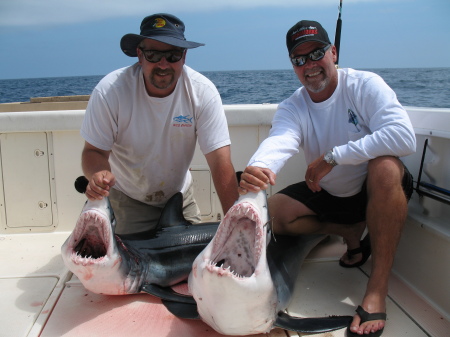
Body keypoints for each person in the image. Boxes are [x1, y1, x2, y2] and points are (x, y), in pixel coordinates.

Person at [238, 20, 416, 337]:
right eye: (299, 59)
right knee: (275, 211)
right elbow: (280, 140)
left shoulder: (364, 85)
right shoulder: (294, 106)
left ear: (333, 52)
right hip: (331, 196)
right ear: (292, 65)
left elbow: (403, 137)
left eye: (317, 53)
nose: (309, 65)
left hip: (375, 193)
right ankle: (348, 230)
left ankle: (377, 287)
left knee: (386, 166)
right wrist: (257, 168)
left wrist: (335, 156)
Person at [81, 13, 238, 234]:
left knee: (199, 263)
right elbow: (93, 151)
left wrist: (236, 225)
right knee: (125, 265)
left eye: (172, 55)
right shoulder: (111, 91)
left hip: (178, 197)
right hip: (129, 197)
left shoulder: (203, 92)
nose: (163, 64)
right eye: (153, 54)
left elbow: (220, 161)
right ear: (139, 55)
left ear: (184, 56)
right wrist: (98, 174)